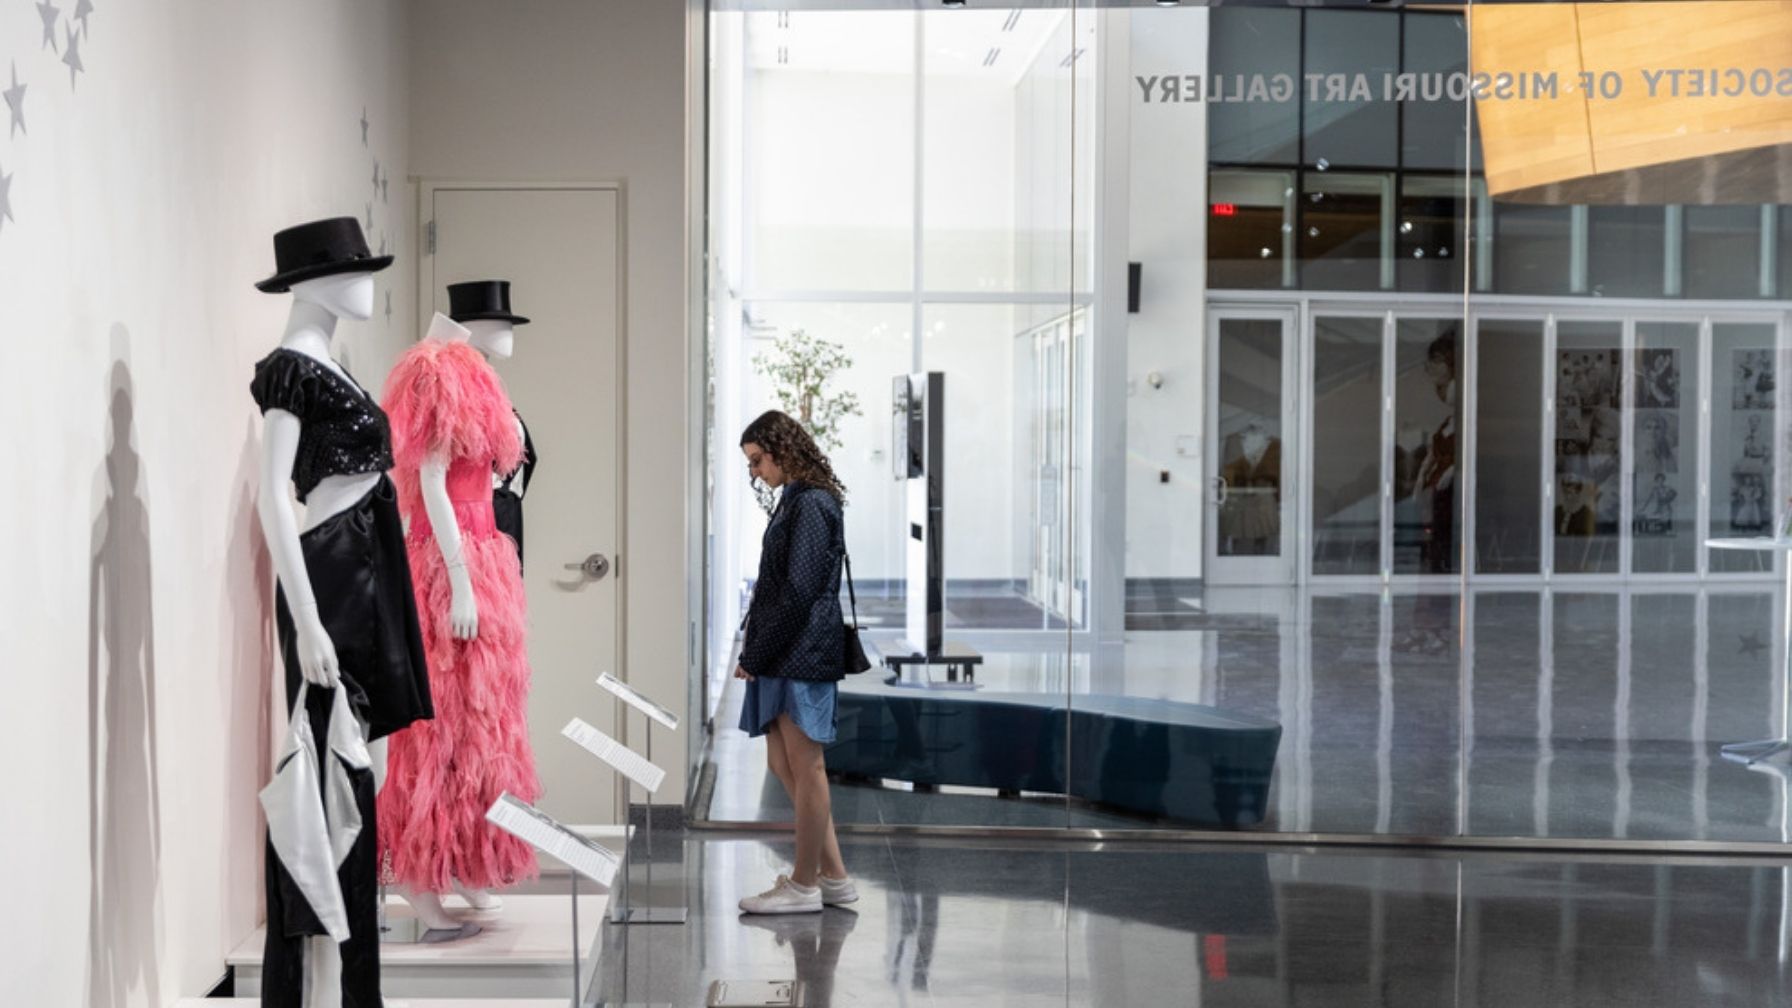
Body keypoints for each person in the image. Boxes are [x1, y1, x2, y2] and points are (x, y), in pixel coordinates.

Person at [735, 410, 858, 915]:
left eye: (759, 460)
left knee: (806, 766)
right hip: (787, 649)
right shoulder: (797, 500)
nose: (756, 472)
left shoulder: (812, 504)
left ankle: (806, 885)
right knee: (784, 763)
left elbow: (800, 592)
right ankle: (836, 879)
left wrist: (757, 653)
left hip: (800, 652)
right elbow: (778, 585)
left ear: (783, 449)